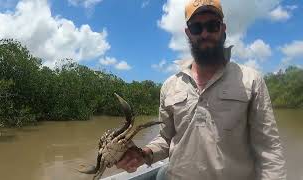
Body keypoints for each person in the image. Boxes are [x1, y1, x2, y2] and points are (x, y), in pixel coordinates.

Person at [116, 0, 287, 179]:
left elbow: (269, 148)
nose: (205, 33)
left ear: (223, 29)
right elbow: (166, 139)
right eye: (197, 27)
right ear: (188, 33)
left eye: (212, 25)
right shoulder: (170, 85)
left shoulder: (252, 80)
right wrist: (143, 154)